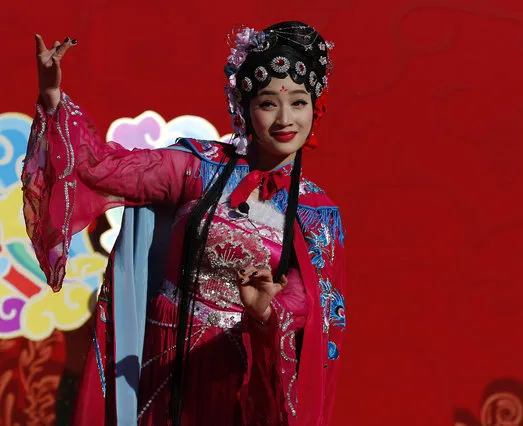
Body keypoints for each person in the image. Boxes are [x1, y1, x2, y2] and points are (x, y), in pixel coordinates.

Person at [22, 21, 346, 426]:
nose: (285, 118)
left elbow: (318, 313)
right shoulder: (199, 167)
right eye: (268, 103)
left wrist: (269, 311)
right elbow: (100, 168)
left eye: (298, 102)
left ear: (316, 107)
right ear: (244, 108)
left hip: (240, 372)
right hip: (162, 356)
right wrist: (53, 96)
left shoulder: (316, 213)